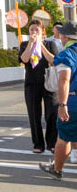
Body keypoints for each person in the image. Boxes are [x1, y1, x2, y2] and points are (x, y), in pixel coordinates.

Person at [41, 21, 77, 180]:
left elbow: (64, 80)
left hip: (73, 102)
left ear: (64, 36)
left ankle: (57, 169)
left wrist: (62, 104)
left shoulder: (67, 54)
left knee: (63, 137)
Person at [21, 20, 59, 154]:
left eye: (36, 29)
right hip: (31, 83)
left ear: (43, 31)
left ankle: (51, 143)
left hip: (48, 82)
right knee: (34, 114)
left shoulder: (50, 43)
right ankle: (38, 143)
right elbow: (24, 59)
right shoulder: (25, 44)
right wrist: (31, 44)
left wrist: (41, 45)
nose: (34, 32)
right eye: (31, 30)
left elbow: (53, 60)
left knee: (52, 113)